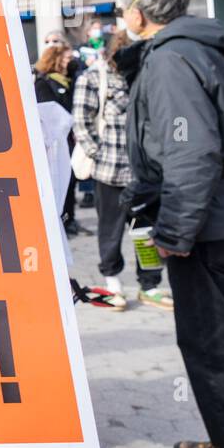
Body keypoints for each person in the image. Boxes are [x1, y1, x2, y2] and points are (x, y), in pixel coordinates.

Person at [122, 0, 224, 448]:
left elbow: (190, 149)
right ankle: (223, 441)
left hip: (209, 228)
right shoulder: (201, 46)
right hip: (217, 221)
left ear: (138, 15)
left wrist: (175, 231)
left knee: (214, 347)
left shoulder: (170, 59)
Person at [72, 34, 171, 311]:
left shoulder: (144, 75)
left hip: (146, 172)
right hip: (110, 170)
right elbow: (81, 122)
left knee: (145, 230)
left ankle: (149, 283)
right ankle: (112, 281)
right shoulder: (93, 78)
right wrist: (97, 154)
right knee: (110, 231)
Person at [34, 43, 82, 235]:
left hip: (70, 137)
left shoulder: (70, 81)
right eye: (66, 58)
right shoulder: (43, 82)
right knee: (62, 177)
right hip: (57, 140)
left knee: (71, 179)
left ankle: (70, 217)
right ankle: (63, 219)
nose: (69, 62)